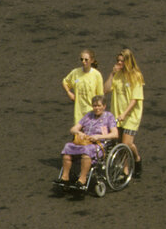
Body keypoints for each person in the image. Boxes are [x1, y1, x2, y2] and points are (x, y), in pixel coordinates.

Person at [59, 95, 118, 187]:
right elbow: (73, 129)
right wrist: (79, 133)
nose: (97, 108)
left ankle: (82, 179)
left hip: (99, 144)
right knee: (68, 147)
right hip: (84, 142)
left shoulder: (109, 116)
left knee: (87, 150)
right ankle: (65, 177)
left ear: (104, 106)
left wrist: (99, 136)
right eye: (94, 106)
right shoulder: (88, 115)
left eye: (99, 105)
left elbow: (115, 134)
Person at [106, 48, 145, 178]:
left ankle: (127, 169)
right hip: (117, 115)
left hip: (131, 116)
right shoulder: (117, 74)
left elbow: (135, 99)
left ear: (128, 61)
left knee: (125, 144)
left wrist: (125, 114)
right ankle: (133, 160)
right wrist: (112, 74)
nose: (119, 63)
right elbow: (105, 90)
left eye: (122, 61)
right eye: (117, 61)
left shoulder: (136, 76)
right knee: (121, 143)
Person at [61, 49, 103, 123]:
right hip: (78, 114)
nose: (83, 61)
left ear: (92, 60)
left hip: (91, 113)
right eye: (82, 59)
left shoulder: (97, 75)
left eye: (86, 59)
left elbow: (100, 96)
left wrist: (99, 114)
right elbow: (65, 82)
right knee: (77, 133)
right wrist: (69, 92)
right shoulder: (75, 72)